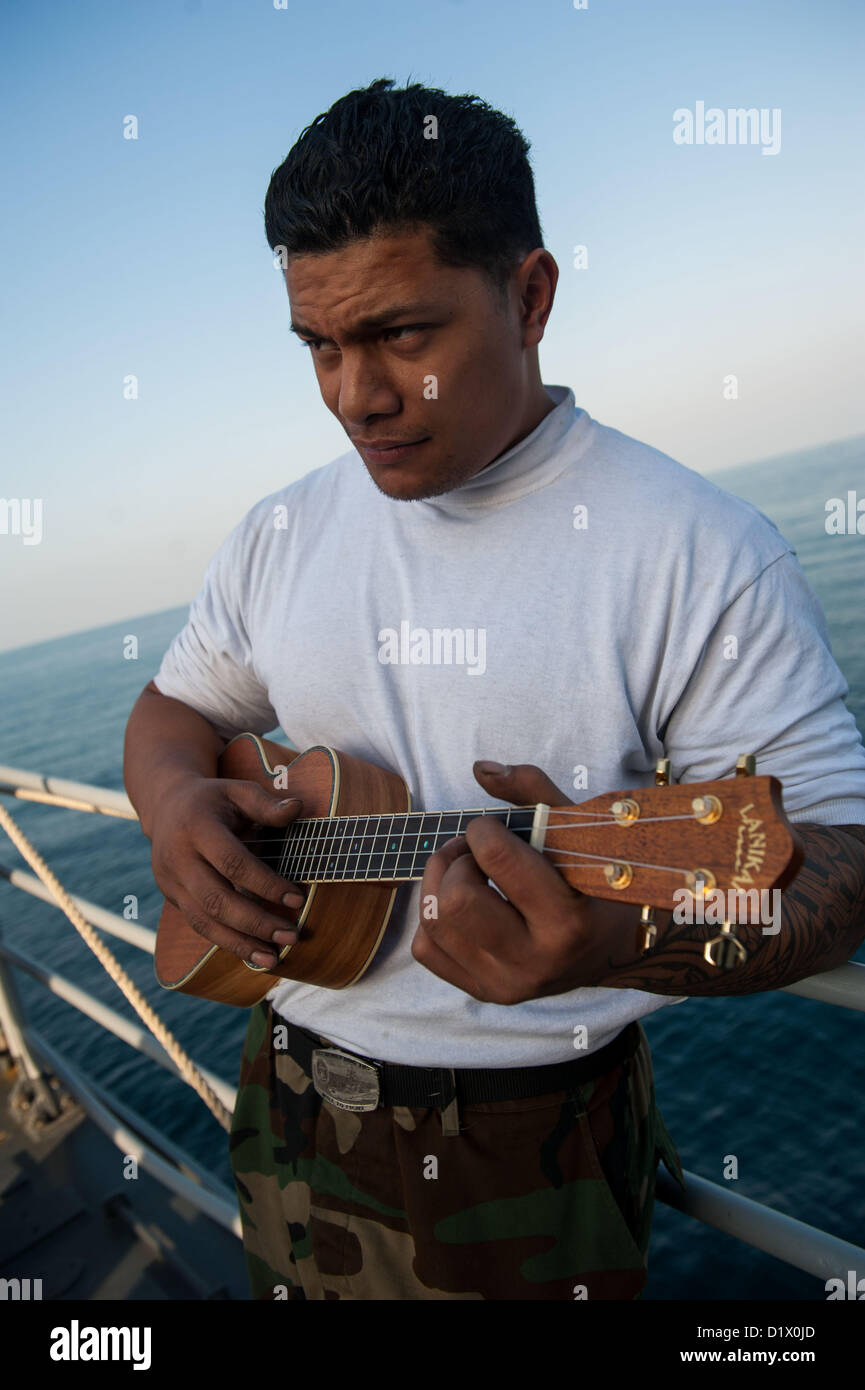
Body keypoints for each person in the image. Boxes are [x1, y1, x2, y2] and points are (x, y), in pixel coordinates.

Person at [123, 77, 865, 1301]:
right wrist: (171, 808)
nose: (354, 396)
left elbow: (843, 862)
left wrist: (617, 940)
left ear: (530, 296)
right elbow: (176, 710)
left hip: (527, 1139)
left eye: (402, 335)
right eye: (320, 345)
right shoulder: (281, 532)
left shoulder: (694, 548)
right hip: (284, 1081)